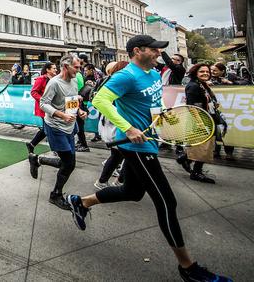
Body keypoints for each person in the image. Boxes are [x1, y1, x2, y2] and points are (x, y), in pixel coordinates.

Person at [65, 35, 231, 282]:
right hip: (137, 148)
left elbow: (154, 102)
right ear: (137, 51)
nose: (158, 54)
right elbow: (100, 100)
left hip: (150, 142)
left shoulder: (153, 74)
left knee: (132, 192)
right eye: (154, 50)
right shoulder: (126, 75)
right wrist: (129, 128)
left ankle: (81, 202)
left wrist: (163, 115)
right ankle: (188, 268)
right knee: (167, 202)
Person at [34, 54, 86, 209]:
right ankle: (55, 195)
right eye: (76, 67)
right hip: (56, 126)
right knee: (69, 164)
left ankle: (38, 160)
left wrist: (80, 111)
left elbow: (72, 101)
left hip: (70, 126)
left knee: (69, 163)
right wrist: (61, 114)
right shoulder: (54, 83)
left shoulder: (75, 80)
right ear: (66, 66)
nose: (79, 69)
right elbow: (43, 104)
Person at [178, 64, 221, 183]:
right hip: (200, 121)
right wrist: (201, 124)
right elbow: (192, 107)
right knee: (203, 148)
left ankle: (185, 158)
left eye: (207, 71)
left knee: (202, 147)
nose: (206, 73)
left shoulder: (202, 85)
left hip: (206, 118)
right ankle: (196, 172)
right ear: (195, 72)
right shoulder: (193, 86)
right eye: (202, 71)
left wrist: (213, 104)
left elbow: (205, 101)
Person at [93, 61, 129, 189]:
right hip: (114, 124)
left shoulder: (110, 81)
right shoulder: (114, 83)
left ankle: (112, 180)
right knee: (122, 155)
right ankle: (113, 180)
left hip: (114, 124)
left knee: (119, 155)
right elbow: (99, 101)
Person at [26, 62, 57, 177]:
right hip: (43, 108)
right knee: (48, 128)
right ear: (47, 69)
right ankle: (55, 149)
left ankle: (32, 144)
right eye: (54, 68)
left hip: (52, 107)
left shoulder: (55, 79)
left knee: (46, 129)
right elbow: (33, 92)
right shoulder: (41, 79)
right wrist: (43, 100)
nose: (56, 69)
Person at [209, 63, 235, 160]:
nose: (212, 72)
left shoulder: (231, 76)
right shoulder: (208, 78)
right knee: (215, 130)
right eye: (211, 70)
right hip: (213, 108)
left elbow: (245, 83)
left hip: (229, 108)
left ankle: (229, 152)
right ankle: (216, 151)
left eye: (215, 70)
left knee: (227, 130)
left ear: (222, 71)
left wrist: (229, 83)